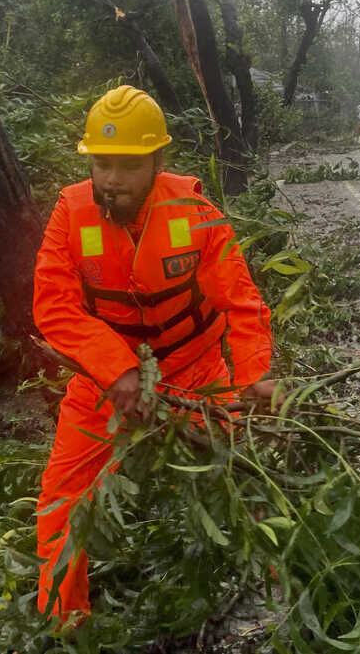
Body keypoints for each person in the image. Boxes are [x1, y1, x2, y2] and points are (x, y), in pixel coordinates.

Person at [31, 85, 276, 626]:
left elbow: (240, 301)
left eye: (128, 165)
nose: (112, 179)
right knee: (61, 500)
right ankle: (67, 623)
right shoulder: (70, 214)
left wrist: (255, 374)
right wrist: (115, 368)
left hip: (193, 370)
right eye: (102, 163)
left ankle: (282, 581)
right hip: (103, 380)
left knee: (241, 473)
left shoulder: (194, 211)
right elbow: (53, 307)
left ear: (158, 162)